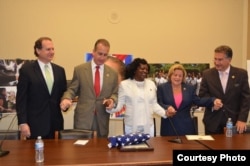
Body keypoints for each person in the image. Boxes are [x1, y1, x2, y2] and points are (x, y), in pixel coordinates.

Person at [60, 39, 118, 138]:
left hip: (102, 119)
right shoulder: (80, 70)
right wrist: (66, 98)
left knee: (101, 150)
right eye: (100, 54)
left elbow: (115, 93)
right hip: (83, 119)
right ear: (93, 52)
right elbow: (72, 89)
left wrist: (112, 100)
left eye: (105, 55)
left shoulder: (112, 73)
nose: (102, 57)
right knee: (82, 151)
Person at [16, 37, 67, 139]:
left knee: (56, 155)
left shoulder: (60, 71)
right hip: (35, 126)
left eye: (53, 49)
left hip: (55, 125)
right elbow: (21, 99)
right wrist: (22, 123)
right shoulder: (27, 70)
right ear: (38, 50)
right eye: (48, 49)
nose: (52, 52)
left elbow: (63, 94)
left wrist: (66, 102)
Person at [106, 58, 168, 137]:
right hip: (131, 126)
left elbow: (154, 104)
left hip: (148, 125)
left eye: (146, 69)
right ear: (135, 70)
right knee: (132, 149)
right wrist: (110, 107)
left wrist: (165, 113)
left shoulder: (151, 84)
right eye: (142, 69)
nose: (145, 71)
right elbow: (119, 106)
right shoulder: (124, 84)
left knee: (149, 147)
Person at [157, 64, 223, 136]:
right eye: (175, 75)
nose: (177, 77)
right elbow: (158, 103)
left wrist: (213, 101)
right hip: (169, 126)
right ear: (170, 75)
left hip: (186, 127)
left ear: (183, 77)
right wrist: (167, 107)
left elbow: (198, 101)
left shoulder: (189, 88)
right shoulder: (162, 88)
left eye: (180, 76)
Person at [199, 45, 250, 134]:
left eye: (220, 59)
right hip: (212, 123)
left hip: (234, 124)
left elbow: (246, 98)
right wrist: (212, 102)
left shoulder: (241, 74)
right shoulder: (207, 74)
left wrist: (242, 119)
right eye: (215, 59)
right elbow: (202, 95)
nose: (216, 62)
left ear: (229, 60)